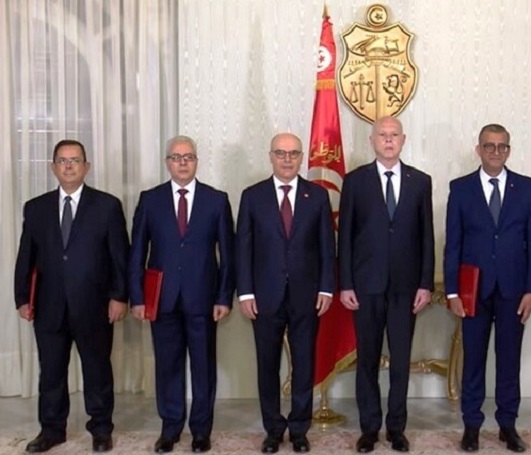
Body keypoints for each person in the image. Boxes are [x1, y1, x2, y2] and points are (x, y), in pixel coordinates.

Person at [14, 139, 129, 453]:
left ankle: (101, 429)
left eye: (75, 160)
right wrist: (22, 298)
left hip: (95, 306)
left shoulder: (107, 206)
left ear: (86, 167)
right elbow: (26, 256)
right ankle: (52, 430)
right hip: (48, 306)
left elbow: (120, 256)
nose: (68, 166)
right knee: (51, 372)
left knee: (97, 371)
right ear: (53, 167)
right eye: (62, 161)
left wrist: (119, 296)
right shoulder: (36, 208)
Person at [129, 135, 235, 454]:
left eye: (188, 157)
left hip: (203, 299)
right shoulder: (150, 200)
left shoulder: (216, 200)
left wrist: (223, 297)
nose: (183, 163)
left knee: (203, 367)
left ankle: (201, 431)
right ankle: (170, 428)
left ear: (196, 161)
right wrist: (137, 297)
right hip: (162, 300)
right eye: (176, 158)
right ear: (168, 163)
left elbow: (228, 255)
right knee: (168, 366)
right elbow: (137, 252)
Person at [338, 116, 434, 453]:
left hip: (406, 288)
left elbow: (426, 236)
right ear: (372, 140)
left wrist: (425, 283)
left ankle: (396, 428)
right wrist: (346, 283)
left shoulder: (420, 181)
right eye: (382, 135)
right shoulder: (355, 181)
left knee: (401, 360)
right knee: (367, 359)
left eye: (394, 135)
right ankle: (369, 428)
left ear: (403, 140)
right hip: (366, 286)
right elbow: (345, 237)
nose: (389, 140)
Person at [444, 124, 531, 453]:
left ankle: (507, 425)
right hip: (473, 290)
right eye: (489, 146)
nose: (496, 152)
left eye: (502, 146)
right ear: (479, 149)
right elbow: (453, 244)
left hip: (514, 290)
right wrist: (453, 292)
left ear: (509, 150)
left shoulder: (525, 188)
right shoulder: (461, 188)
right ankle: (471, 425)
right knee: (473, 359)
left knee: (509, 360)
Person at [236, 132, 335, 454]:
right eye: (281, 153)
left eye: (293, 153)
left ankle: (299, 429)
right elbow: (243, 248)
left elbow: (326, 246)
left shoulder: (317, 196)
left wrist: (326, 287)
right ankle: (274, 429)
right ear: (271, 157)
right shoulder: (253, 196)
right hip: (264, 297)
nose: (287, 159)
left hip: (307, 295)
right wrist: (245, 293)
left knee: (304, 364)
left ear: (302, 157)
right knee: (267, 365)